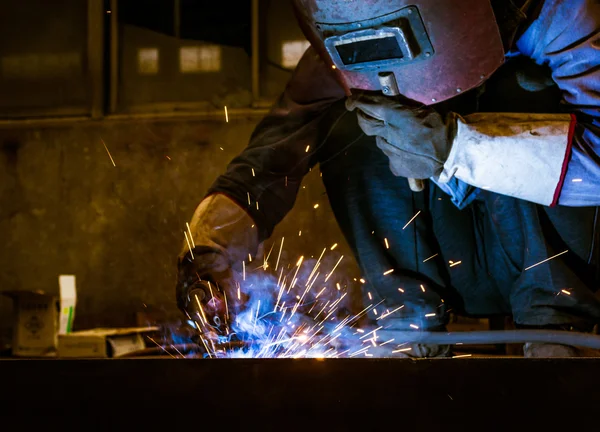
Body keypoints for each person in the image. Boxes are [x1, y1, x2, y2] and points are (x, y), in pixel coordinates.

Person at [177, 0, 600, 357]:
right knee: (349, 122)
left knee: (525, 90)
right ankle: (406, 334)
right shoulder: (348, 40)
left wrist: (456, 146)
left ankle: (561, 339)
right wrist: (209, 250)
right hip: (448, 269)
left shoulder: (563, 15)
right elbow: (268, 160)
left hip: (559, 265)